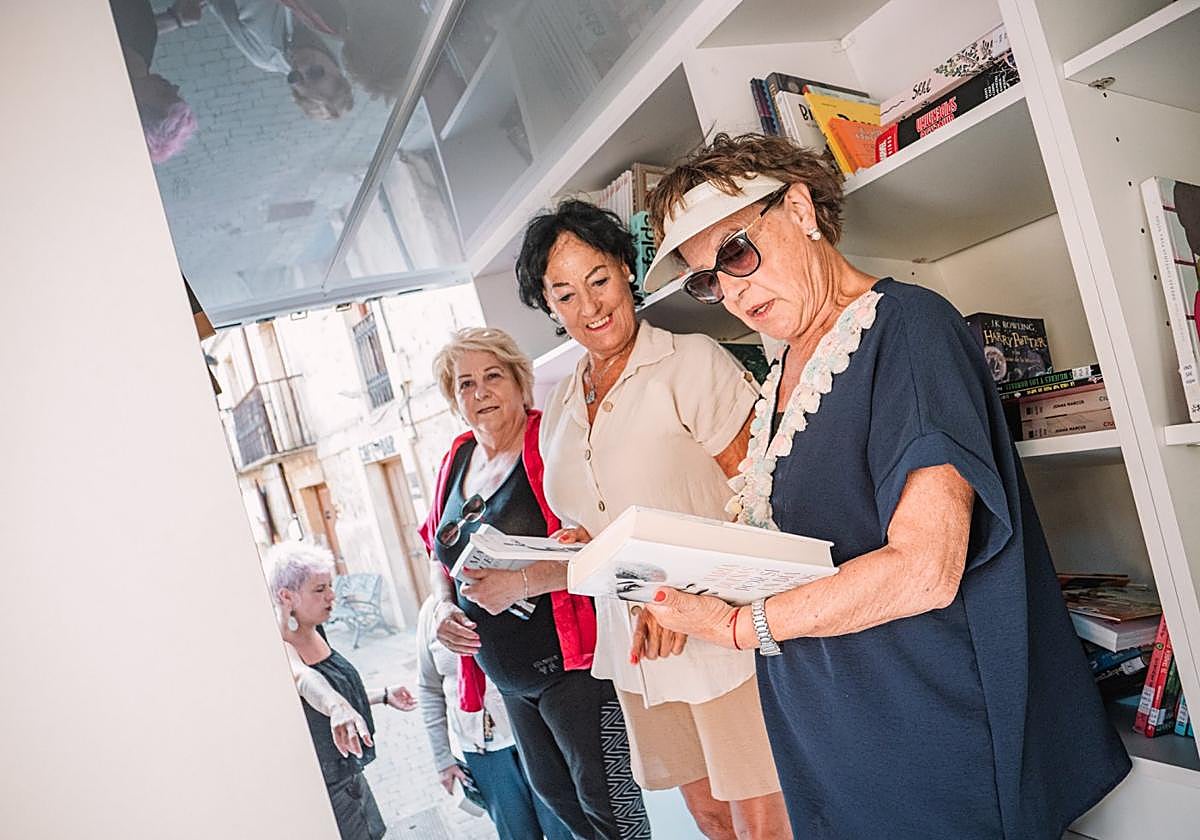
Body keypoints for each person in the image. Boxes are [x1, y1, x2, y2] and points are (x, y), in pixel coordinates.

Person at [636, 132, 1132, 839]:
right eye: (708, 281)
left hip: (927, 733)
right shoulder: (782, 372)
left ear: (801, 209)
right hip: (829, 731)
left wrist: (738, 626)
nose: (733, 291)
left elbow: (927, 569)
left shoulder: (909, 329)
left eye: (737, 252)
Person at [517, 200, 791, 839]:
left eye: (599, 280)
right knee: (708, 815)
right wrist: (580, 541)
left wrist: (687, 595)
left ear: (625, 269)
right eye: (565, 294)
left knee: (764, 819)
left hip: (717, 628)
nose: (590, 306)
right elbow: (593, 517)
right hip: (637, 641)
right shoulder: (560, 405)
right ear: (549, 308)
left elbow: (764, 497)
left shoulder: (690, 362)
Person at [420, 327, 649, 840]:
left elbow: (602, 546)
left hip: (573, 670)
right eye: (465, 384)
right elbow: (438, 550)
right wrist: (441, 608)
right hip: (508, 680)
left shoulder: (553, 443)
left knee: (612, 810)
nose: (480, 393)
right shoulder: (456, 458)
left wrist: (523, 583)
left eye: (493, 376)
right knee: (559, 803)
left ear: (520, 382)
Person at [268, 541, 417, 840]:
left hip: (349, 774)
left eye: (330, 586)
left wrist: (383, 695)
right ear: (287, 596)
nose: (331, 595)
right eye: (320, 589)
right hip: (329, 786)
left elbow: (336, 688)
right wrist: (336, 707)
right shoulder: (281, 647)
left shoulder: (315, 631)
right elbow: (304, 679)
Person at [415, 595, 573, 840]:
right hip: (483, 750)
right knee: (515, 833)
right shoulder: (431, 613)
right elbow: (429, 688)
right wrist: (443, 759)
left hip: (534, 733)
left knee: (561, 828)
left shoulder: (500, 592)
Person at [205, 0, 355, 120]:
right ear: (338, 71)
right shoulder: (339, 22)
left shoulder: (262, 55)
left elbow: (220, 6)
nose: (300, 66)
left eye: (295, 78)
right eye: (315, 73)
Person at [108, 0, 198, 163]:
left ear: (139, 107)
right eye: (177, 93)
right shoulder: (141, 58)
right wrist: (175, 19)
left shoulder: (100, 58)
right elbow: (143, 29)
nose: (172, 85)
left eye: (164, 94)